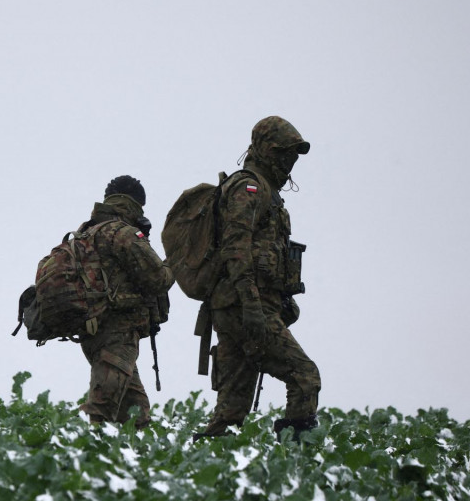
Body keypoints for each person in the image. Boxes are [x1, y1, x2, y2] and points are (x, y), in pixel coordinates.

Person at [194, 116, 321, 441]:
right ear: (265, 151)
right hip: (245, 306)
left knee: (232, 408)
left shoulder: (263, 191)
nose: (289, 163)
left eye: (292, 156)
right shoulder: (249, 187)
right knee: (304, 376)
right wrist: (252, 307)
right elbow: (236, 248)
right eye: (283, 154)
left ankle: (208, 470)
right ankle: (296, 462)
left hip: (238, 305)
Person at [78, 175, 174, 429]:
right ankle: (87, 458)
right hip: (117, 333)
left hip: (93, 329)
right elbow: (158, 279)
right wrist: (174, 260)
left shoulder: (87, 231)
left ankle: (135, 463)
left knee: (136, 414)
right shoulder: (123, 234)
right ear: (136, 205)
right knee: (103, 409)